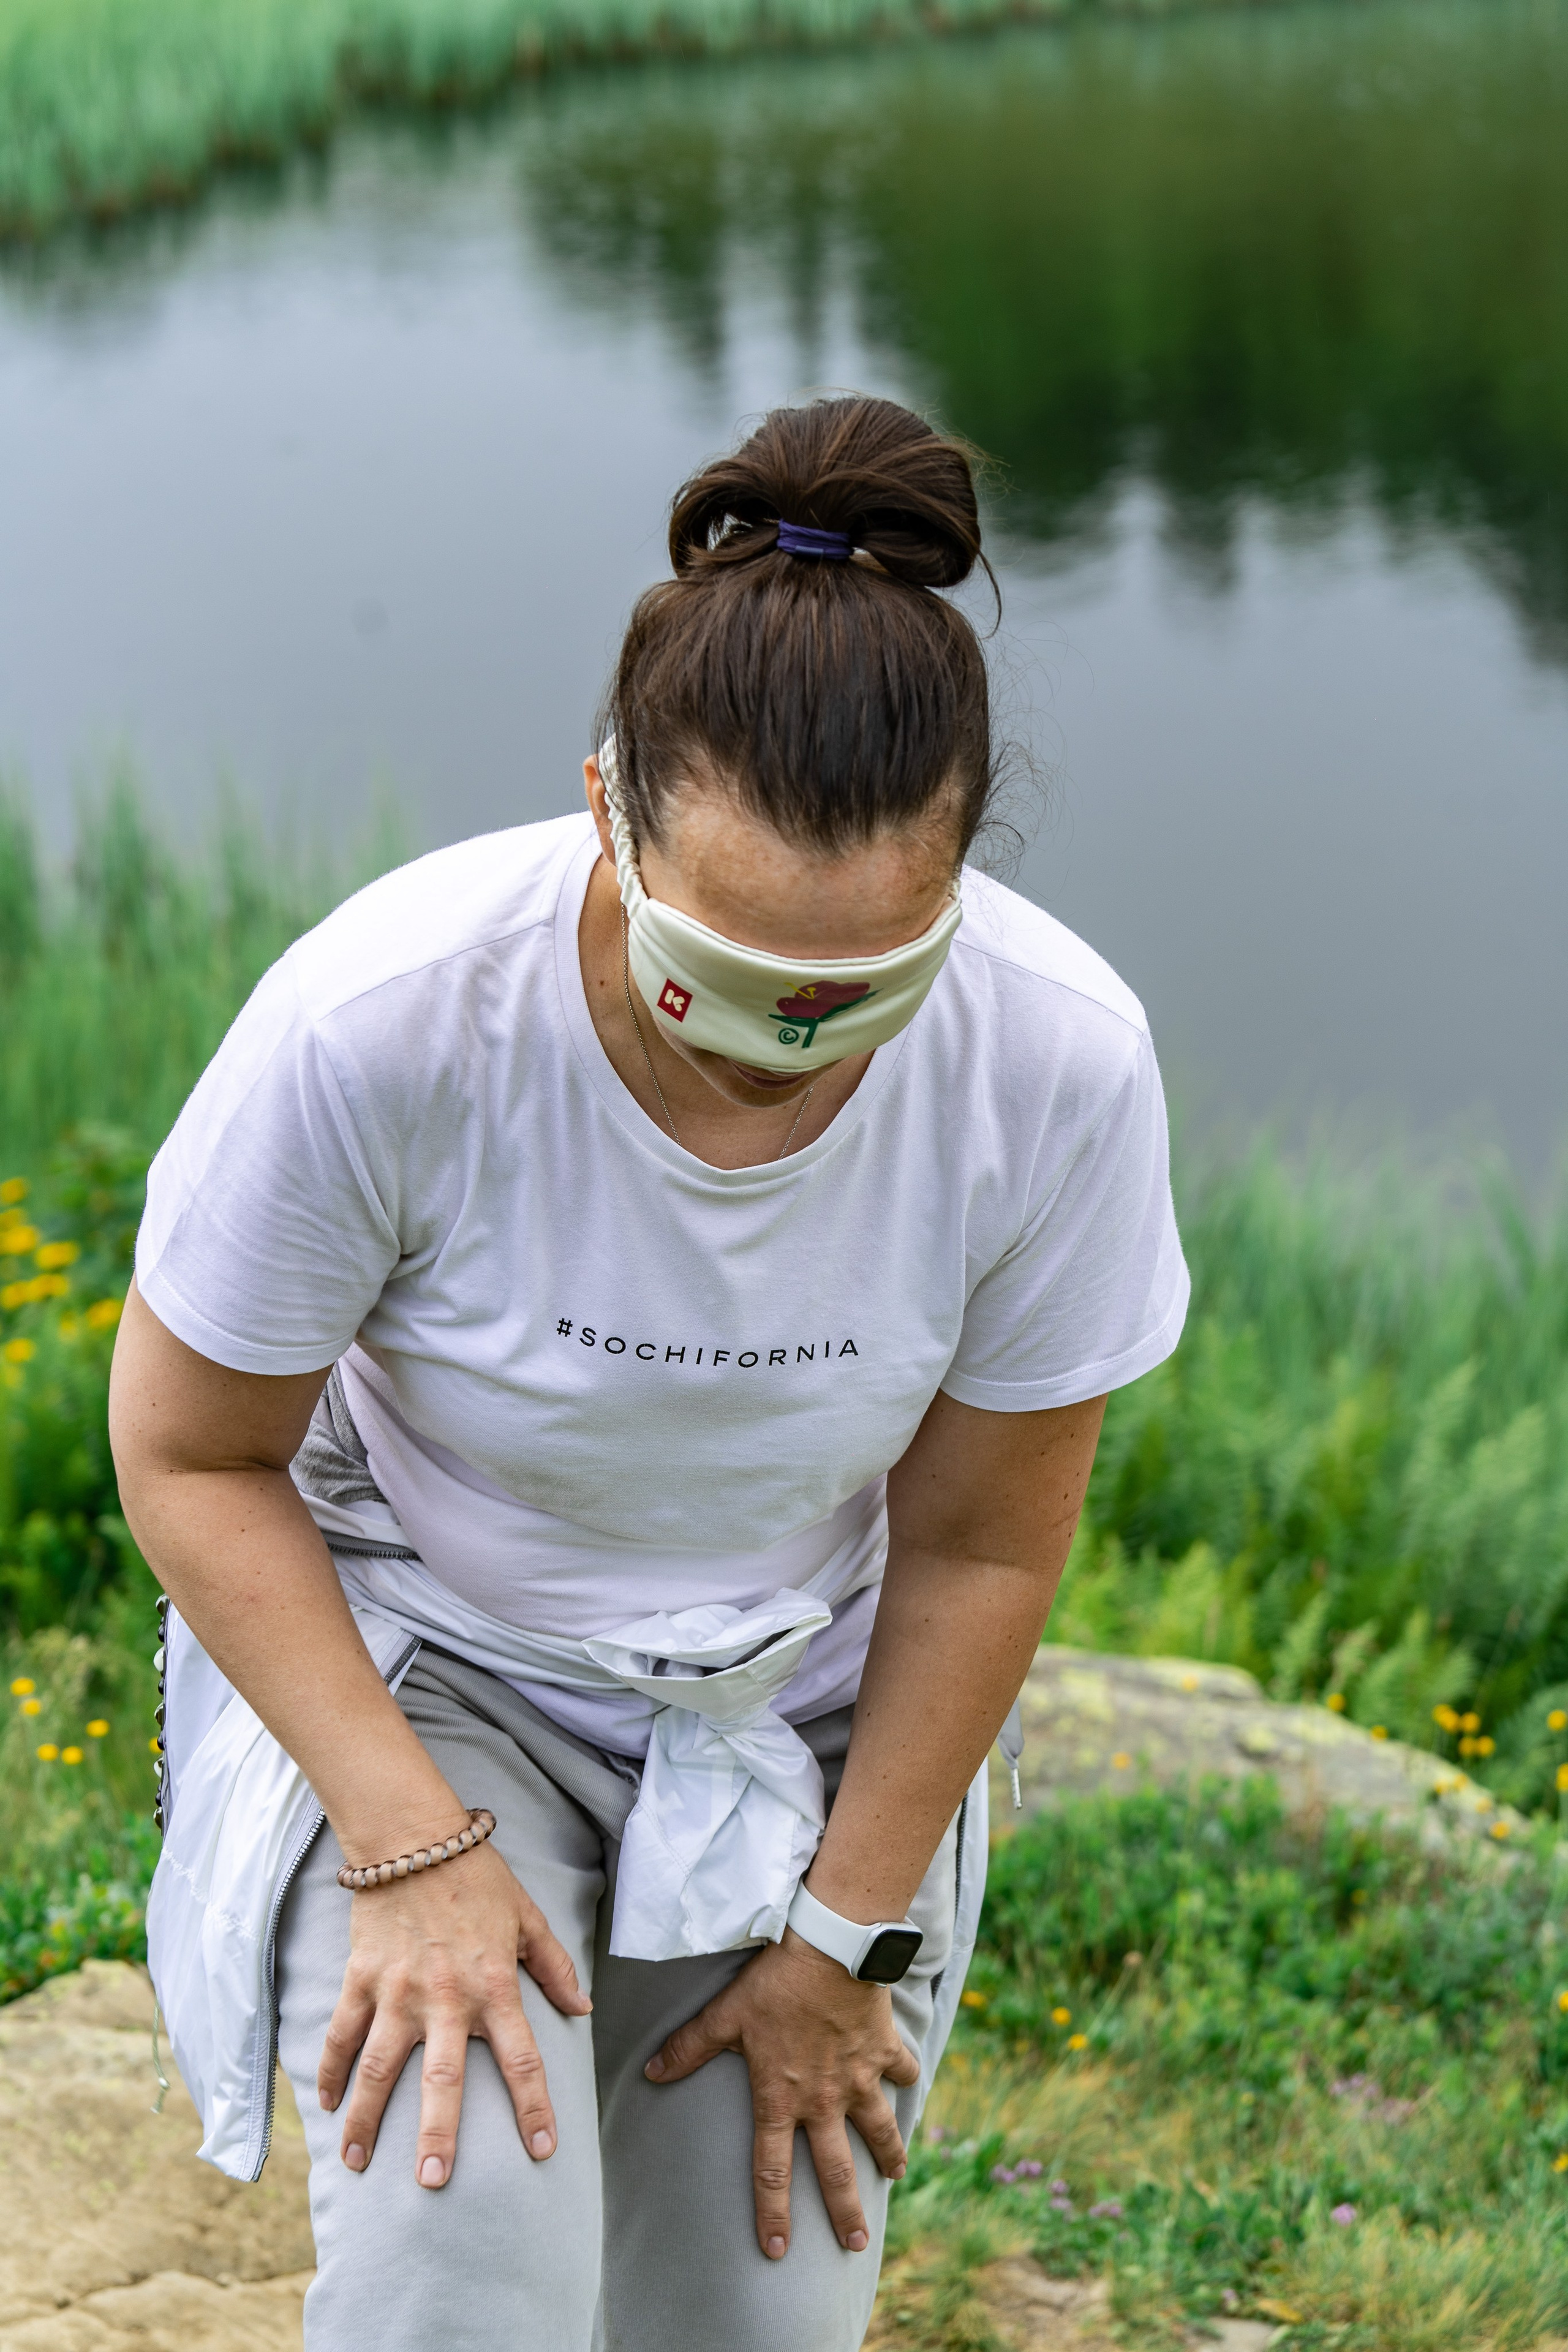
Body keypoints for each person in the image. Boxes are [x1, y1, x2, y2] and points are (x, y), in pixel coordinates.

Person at [109, 394, 1188, 2352]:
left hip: (806, 1707)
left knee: (748, 2311)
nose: (792, 1052)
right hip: (438, 1669)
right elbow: (191, 1454)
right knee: (465, 2271)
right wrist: (408, 1842)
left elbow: (973, 1552)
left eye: (867, 993)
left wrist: (845, 1939)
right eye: (731, 978)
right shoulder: (390, 1022)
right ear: (604, 806)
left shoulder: (1060, 1060)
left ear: (964, 878)